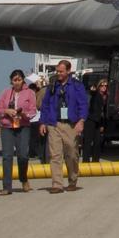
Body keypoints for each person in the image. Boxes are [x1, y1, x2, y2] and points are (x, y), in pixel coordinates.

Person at [39, 61, 89, 193]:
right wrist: (43, 122)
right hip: (54, 123)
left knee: (72, 154)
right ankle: (57, 184)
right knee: (55, 155)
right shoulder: (52, 87)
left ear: (68, 71)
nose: (58, 74)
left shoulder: (77, 86)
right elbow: (45, 105)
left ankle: (73, 180)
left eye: (61, 71)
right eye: (57, 71)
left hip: (71, 124)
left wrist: (81, 121)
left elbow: (83, 104)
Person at [0, 70, 37, 195]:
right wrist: (6, 111)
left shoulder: (29, 93)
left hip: (23, 126)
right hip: (7, 127)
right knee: (7, 156)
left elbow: (33, 111)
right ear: (11, 81)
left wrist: (23, 113)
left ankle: (23, 178)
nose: (17, 82)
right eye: (14, 80)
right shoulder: (6, 93)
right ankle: (7, 186)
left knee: (23, 155)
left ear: (23, 80)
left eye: (19, 79)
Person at [83, 79, 109, 162]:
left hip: (99, 121)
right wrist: (92, 89)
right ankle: (86, 161)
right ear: (98, 86)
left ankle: (95, 161)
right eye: (102, 85)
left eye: (106, 86)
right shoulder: (96, 94)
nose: (104, 87)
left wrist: (103, 125)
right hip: (90, 120)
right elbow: (92, 92)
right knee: (88, 141)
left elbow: (104, 111)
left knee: (97, 142)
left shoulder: (106, 96)